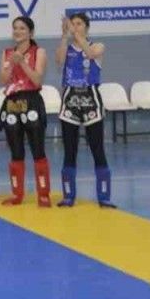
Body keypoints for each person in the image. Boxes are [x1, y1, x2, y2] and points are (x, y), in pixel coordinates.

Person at [56, 13, 116, 208]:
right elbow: (59, 60)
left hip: (91, 98)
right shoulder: (68, 47)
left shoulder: (98, 46)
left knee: (97, 147)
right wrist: (64, 36)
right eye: (72, 24)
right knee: (70, 149)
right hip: (70, 98)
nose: (75, 27)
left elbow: (90, 54)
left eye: (79, 24)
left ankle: (104, 196)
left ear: (87, 27)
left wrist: (76, 35)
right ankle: (68, 196)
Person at [0, 17, 52, 207]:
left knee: (38, 150)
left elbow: (37, 80)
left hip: (31, 102)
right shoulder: (7, 53)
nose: (18, 31)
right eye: (15, 28)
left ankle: (43, 194)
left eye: (22, 28)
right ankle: (17, 194)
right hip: (12, 103)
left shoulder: (39, 52)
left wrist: (22, 62)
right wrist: (12, 63)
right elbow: (3, 80)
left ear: (31, 32)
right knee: (16, 151)